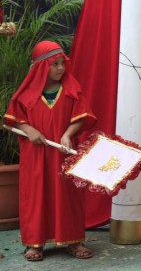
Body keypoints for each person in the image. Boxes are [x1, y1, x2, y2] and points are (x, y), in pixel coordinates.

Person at [4, 40, 97, 262]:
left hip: (63, 152)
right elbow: (15, 119)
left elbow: (82, 116)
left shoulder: (70, 88)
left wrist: (67, 134)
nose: (60, 68)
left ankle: (74, 240)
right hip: (36, 155)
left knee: (67, 196)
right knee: (36, 195)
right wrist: (29, 130)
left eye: (62, 63)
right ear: (41, 67)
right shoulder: (26, 94)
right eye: (55, 64)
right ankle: (34, 243)